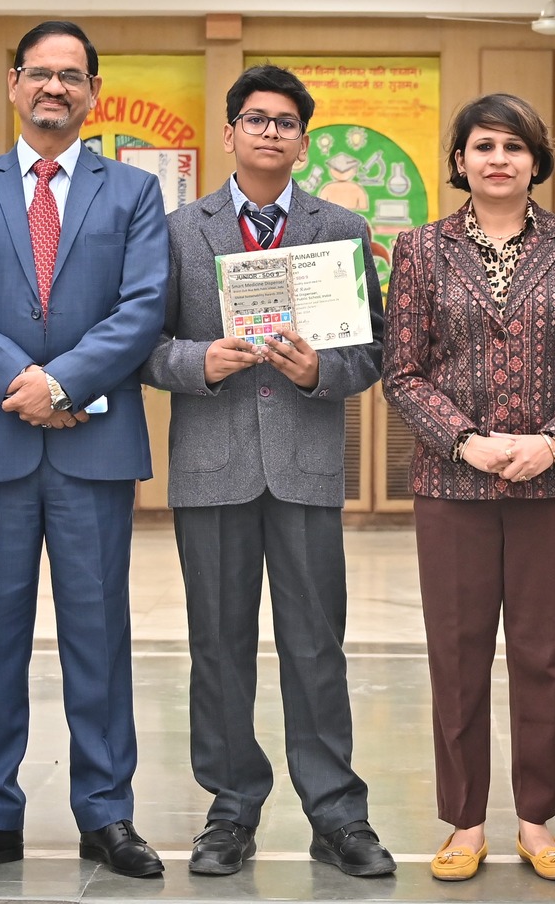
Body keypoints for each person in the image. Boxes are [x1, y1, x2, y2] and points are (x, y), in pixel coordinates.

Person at [0, 21, 171, 880]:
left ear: (93, 91)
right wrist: (22, 381)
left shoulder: (133, 192)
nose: (53, 87)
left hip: (94, 445)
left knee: (99, 635)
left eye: (71, 75)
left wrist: (62, 385)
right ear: (13, 84)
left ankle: (107, 812)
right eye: (38, 73)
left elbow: (142, 307)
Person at [141, 64, 394, 879]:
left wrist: (322, 372)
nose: (270, 132)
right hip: (210, 465)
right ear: (230, 133)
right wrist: (198, 362)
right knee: (217, 646)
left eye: (286, 123)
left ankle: (337, 813)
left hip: (305, 466)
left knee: (317, 647)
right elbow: (144, 345)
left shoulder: (340, 227)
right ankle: (230, 808)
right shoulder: (178, 231)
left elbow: (372, 349)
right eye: (256, 119)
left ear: (303, 142)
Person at [382, 93, 555, 883]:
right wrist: (466, 441)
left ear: (535, 160)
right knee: (457, 653)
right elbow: (402, 371)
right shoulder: (420, 249)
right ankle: (465, 821)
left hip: (554, 482)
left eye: (514, 147)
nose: (498, 159)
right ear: (460, 161)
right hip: (452, 483)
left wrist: (553, 442)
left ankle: (536, 819)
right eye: (483, 146)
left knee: (546, 653)